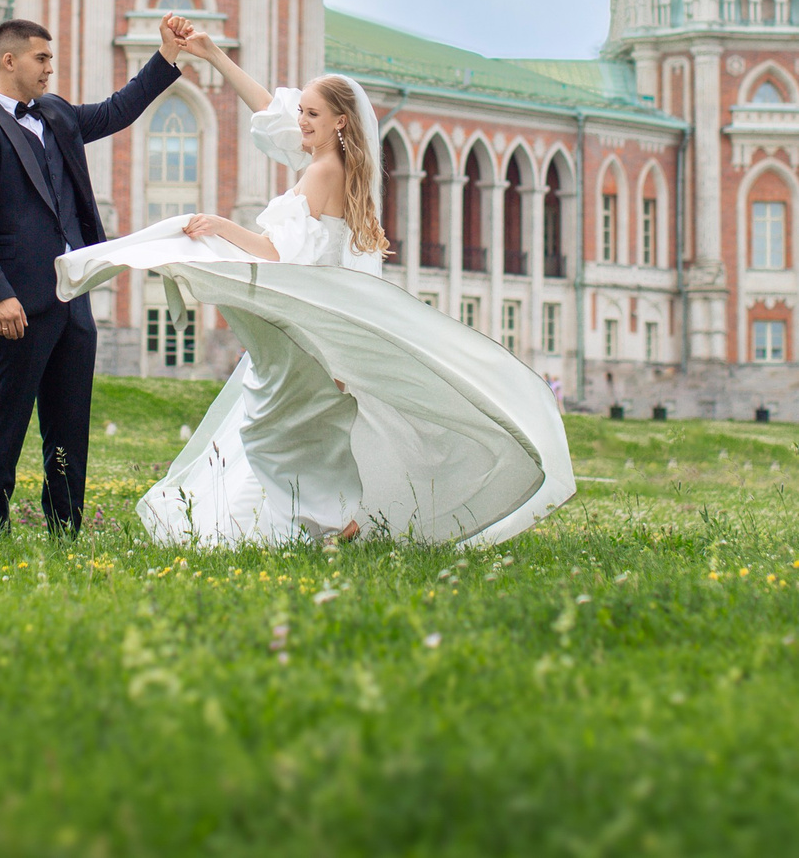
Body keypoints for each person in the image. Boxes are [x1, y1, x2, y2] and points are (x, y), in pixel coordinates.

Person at [57, 33, 575, 547]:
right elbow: (269, 111)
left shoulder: (323, 172)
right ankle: (322, 523)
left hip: (306, 332)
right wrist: (215, 56)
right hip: (311, 329)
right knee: (288, 432)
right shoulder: (336, 165)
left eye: (310, 115)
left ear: (339, 122)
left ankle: (332, 522)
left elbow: (277, 254)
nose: (299, 121)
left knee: (268, 431)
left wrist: (218, 226)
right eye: (300, 112)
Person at [0, 12, 193, 532]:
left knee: (69, 429)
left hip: (73, 299)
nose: (49, 69)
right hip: (17, 305)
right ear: (9, 61)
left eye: (51, 58)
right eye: (42, 58)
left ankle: (66, 531)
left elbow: (114, 112)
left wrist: (166, 57)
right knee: (5, 426)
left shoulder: (55, 114)